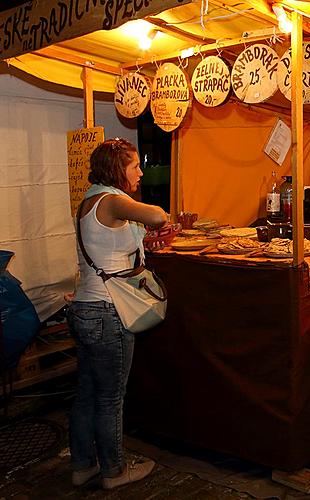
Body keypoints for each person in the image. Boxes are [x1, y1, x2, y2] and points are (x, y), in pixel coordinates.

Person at [68, 138, 168, 489]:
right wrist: (157, 217)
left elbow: (113, 246)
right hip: (107, 312)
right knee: (110, 396)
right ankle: (114, 471)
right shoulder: (112, 200)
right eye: (134, 166)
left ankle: (83, 465)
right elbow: (156, 215)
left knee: (87, 393)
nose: (141, 172)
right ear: (117, 169)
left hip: (83, 308)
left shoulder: (89, 201)